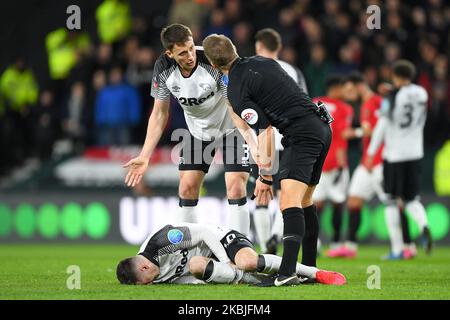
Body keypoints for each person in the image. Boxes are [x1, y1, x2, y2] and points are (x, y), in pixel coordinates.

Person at [203, 34, 334, 286]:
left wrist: (265, 175)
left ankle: (286, 273)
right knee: (305, 201)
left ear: (212, 63)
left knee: (288, 202)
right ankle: (309, 269)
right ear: (234, 48)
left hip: (301, 134)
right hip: (322, 128)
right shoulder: (265, 61)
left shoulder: (237, 89)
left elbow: (266, 131)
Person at [123, 24, 251, 235]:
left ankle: (241, 253)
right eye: (183, 52)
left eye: (192, 48)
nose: (190, 55)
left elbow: (233, 104)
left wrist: (250, 139)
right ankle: (189, 252)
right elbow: (159, 114)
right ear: (169, 53)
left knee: (236, 186)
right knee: (187, 187)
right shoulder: (163, 69)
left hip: (231, 128)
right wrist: (145, 155)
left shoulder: (211, 61)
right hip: (198, 132)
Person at [329, 72, 415, 259]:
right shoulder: (370, 102)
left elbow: (381, 128)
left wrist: (359, 133)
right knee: (353, 201)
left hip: (379, 161)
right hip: (367, 162)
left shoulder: (373, 102)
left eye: (349, 89)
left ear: (359, 86)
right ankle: (350, 246)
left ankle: (407, 246)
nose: (347, 94)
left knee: (394, 202)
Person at [116, 222, 346, 285]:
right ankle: (268, 280)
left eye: (146, 281)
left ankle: (315, 273)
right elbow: (188, 278)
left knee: (246, 261)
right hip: (210, 264)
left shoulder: (162, 241)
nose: (150, 284)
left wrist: (226, 261)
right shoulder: (153, 275)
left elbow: (205, 233)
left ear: (144, 267)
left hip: (221, 239)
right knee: (197, 265)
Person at [252, 28, 309, 255]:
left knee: (262, 194)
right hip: (288, 140)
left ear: (258, 46)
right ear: (279, 47)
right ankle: (277, 234)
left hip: (262, 141)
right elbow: (305, 104)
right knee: (285, 195)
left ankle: (266, 247)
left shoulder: (252, 69)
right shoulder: (293, 71)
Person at [367, 60, 432, 260]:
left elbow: (382, 125)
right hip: (415, 153)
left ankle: (397, 249)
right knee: (411, 199)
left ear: (395, 76)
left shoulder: (391, 97)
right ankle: (423, 225)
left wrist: (371, 152)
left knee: (391, 201)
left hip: (394, 155)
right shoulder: (422, 93)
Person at [311, 75, 353, 256]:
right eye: (345, 87)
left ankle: (315, 242)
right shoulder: (345, 108)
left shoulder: (315, 103)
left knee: (315, 204)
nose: (346, 92)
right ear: (336, 88)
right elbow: (342, 136)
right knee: (338, 203)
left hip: (317, 160)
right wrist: (342, 163)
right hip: (336, 162)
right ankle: (336, 243)